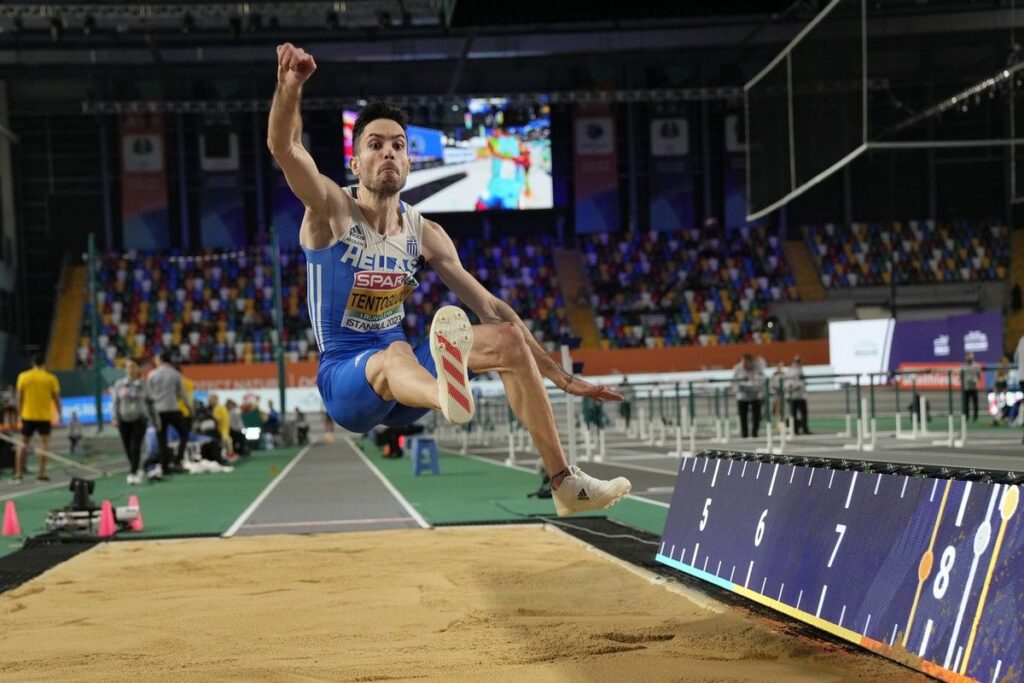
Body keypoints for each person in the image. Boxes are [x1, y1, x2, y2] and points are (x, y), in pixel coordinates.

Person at [268, 43, 630, 516]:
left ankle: (565, 484)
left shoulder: (425, 233)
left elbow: (493, 308)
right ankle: (447, 393)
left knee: (506, 339)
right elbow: (285, 147)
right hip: (348, 382)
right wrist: (290, 87)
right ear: (355, 165)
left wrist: (560, 377)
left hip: (409, 389)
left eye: (398, 144)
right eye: (375, 145)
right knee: (395, 350)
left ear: (410, 161)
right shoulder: (331, 210)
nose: (389, 153)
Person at [144, 350, 193, 478]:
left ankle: (165, 467)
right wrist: (190, 408)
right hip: (172, 409)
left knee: (162, 439)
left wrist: (150, 414)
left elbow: (148, 396)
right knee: (184, 433)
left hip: (158, 411)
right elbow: (183, 394)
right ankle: (178, 460)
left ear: (160, 359)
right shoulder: (175, 374)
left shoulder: (151, 375)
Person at [13, 353, 61, 483]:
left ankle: (18, 474)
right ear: (44, 364)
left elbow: (19, 397)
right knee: (44, 445)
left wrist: (19, 415)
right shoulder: (51, 378)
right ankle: (41, 473)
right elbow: (56, 398)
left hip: (27, 415)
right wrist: (59, 413)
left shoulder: (23, 376)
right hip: (44, 417)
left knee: (22, 444)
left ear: (33, 364)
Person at [111, 358, 152, 485]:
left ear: (138, 369)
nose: (131, 369)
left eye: (133, 366)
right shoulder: (119, 384)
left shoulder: (144, 384)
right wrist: (114, 417)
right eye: (128, 367)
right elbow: (115, 402)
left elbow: (150, 402)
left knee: (135, 446)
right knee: (128, 447)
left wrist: (154, 419)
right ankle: (136, 466)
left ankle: (133, 472)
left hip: (139, 418)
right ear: (125, 369)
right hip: (123, 419)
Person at [732, 353, 765, 438]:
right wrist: (738, 388)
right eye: (743, 362)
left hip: (755, 395)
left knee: (756, 415)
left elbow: (761, 381)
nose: (745, 364)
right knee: (743, 416)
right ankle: (744, 434)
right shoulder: (737, 368)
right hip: (742, 396)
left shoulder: (758, 367)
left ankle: (755, 433)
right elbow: (734, 382)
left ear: (751, 361)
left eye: (747, 362)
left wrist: (751, 385)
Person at [785, 355, 810, 435]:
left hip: (801, 395)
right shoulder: (790, 370)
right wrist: (796, 386)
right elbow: (788, 383)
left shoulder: (801, 369)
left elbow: (803, 381)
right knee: (794, 413)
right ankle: (795, 430)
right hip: (793, 396)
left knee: (803, 413)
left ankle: (804, 428)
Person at [961, 352, 981, 422]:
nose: (969, 358)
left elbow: (979, 375)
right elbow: (961, 376)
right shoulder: (963, 366)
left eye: (970, 357)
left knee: (975, 403)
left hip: (974, 387)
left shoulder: (976, 365)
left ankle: (975, 416)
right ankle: (966, 417)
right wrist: (963, 383)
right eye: (968, 357)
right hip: (966, 387)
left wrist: (976, 381)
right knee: (966, 403)